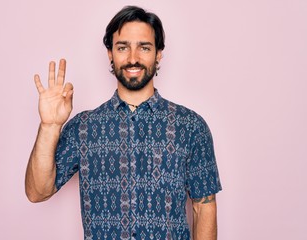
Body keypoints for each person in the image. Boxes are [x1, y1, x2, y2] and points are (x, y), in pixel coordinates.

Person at [25, 5, 222, 240]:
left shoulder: (190, 127)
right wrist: (49, 127)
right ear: (110, 53)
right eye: (122, 47)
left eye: (144, 47)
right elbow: (37, 192)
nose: (132, 58)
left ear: (158, 53)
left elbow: (204, 206)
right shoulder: (84, 127)